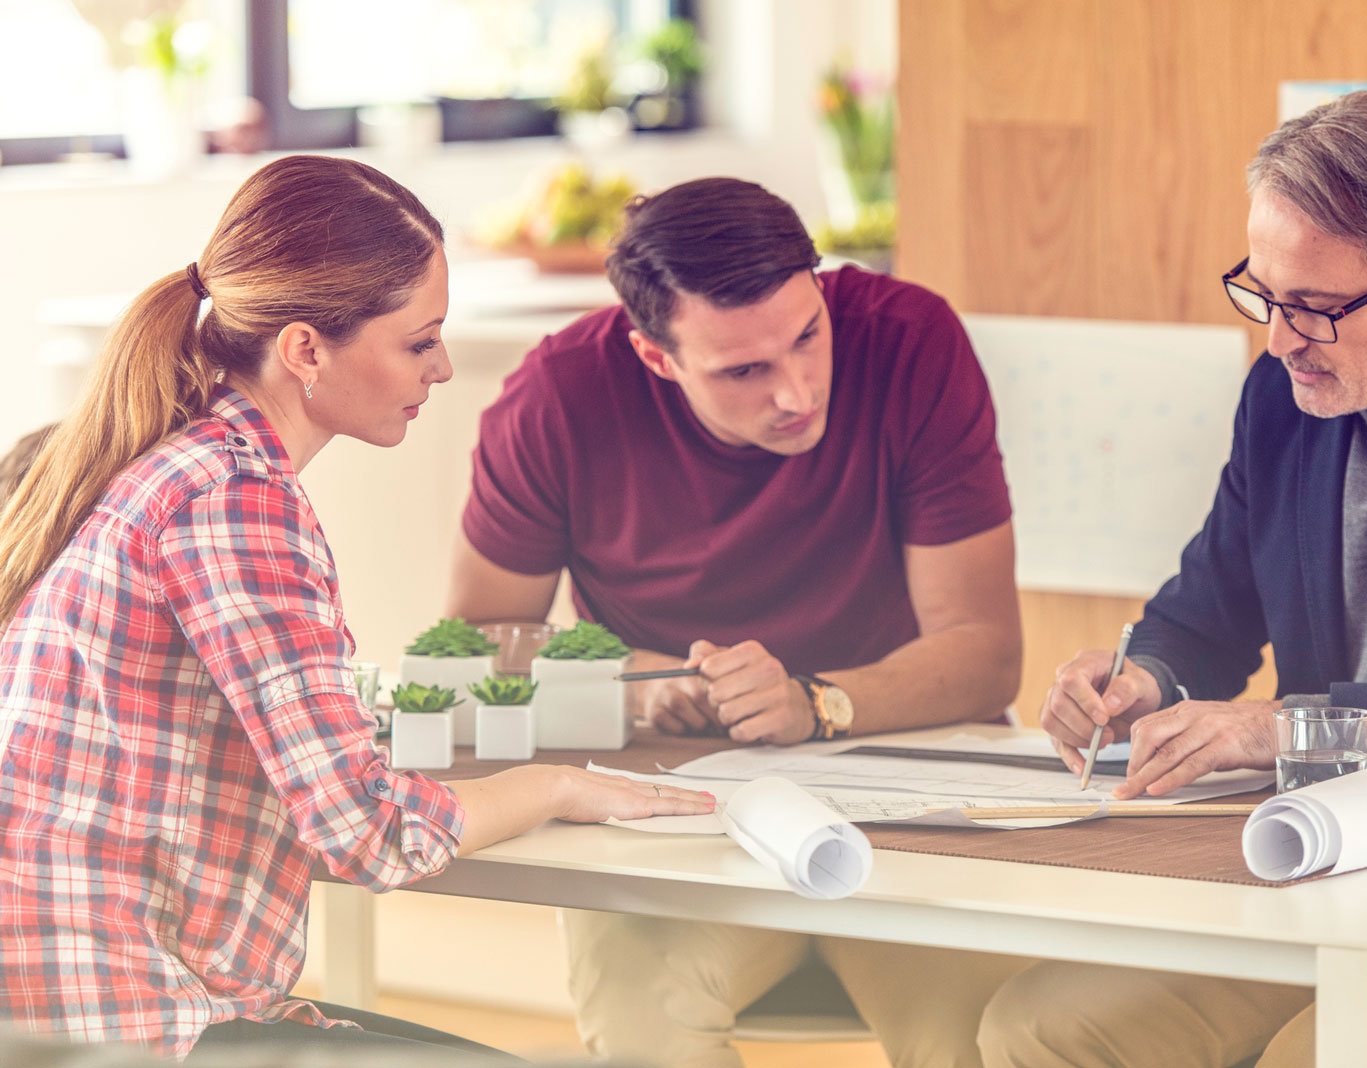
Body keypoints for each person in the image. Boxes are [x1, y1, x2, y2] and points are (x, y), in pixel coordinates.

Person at [0, 154, 713, 1062]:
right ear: (304, 349)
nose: (445, 367)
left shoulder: (187, 463)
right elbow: (368, 835)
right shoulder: (231, 500)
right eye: (420, 341)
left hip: (89, 996)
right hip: (122, 1019)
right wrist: (553, 784)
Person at [977, 90, 1367, 1068]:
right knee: (1039, 1026)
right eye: (1258, 291)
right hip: (1331, 864)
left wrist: (1289, 727)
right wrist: (1143, 678)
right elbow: (1210, 607)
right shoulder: (1282, 391)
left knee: (1324, 1056)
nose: (1275, 338)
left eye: (1311, 307)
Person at [445, 177, 1031, 1067]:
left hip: (913, 790)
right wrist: (634, 680)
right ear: (656, 357)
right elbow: (474, 645)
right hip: (670, 809)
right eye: (743, 370)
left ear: (821, 286)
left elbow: (985, 656)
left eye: (807, 337)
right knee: (642, 1016)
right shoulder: (555, 400)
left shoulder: (915, 340)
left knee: (976, 1043)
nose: (796, 391)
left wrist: (814, 701)